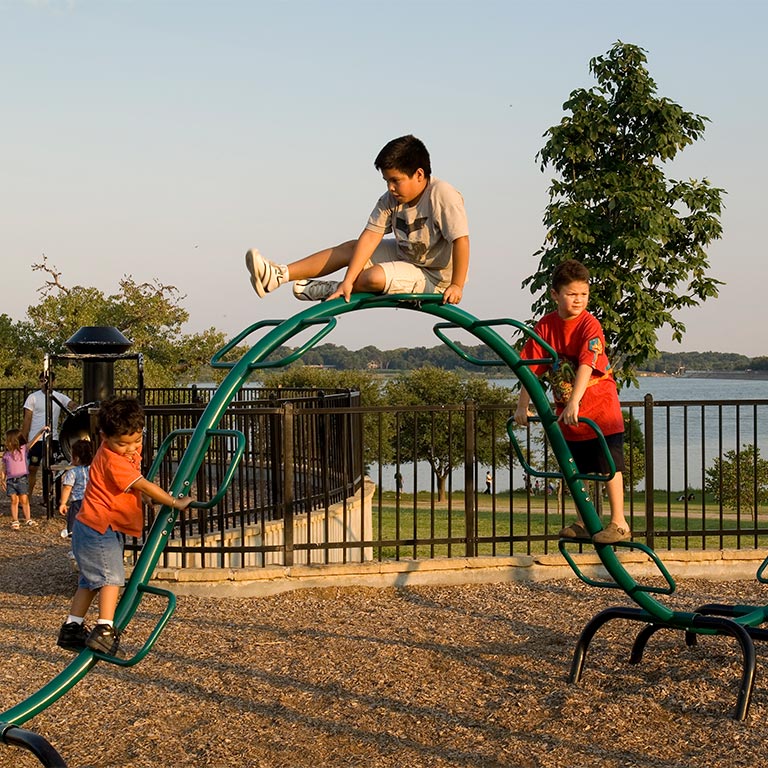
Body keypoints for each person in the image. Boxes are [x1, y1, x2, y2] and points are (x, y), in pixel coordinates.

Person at [245, 134, 470, 305]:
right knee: (354, 248)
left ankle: (335, 288)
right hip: (406, 254)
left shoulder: (442, 195)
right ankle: (278, 275)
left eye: (395, 180)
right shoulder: (390, 199)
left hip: (434, 276)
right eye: (386, 181)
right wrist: (350, 275)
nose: (390, 188)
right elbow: (371, 236)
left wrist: (456, 285)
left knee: (373, 277)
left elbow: (460, 240)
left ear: (419, 175)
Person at [57, 397, 193, 656]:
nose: (131, 448)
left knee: (88, 582)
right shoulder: (113, 459)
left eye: (136, 440)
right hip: (99, 529)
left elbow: (127, 489)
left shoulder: (123, 451)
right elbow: (142, 484)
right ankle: (104, 631)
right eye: (123, 443)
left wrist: (144, 500)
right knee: (111, 579)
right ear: (104, 436)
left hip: (91, 527)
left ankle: (71, 629)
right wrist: (174, 501)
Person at [513, 259, 631, 545]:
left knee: (609, 466)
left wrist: (575, 401)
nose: (578, 300)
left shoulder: (590, 325)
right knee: (575, 468)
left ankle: (619, 522)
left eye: (584, 294)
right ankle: (583, 520)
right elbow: (531, 366)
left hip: (599, 410)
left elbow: (587, 365)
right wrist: (521, 404)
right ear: (555, 294)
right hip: (569, 413)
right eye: (571, 294)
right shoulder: (546, 326)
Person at [22, 371, 77, 496]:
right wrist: (24, 438)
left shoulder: (59, 397)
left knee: (54, 468)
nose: (44, 384)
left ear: (53, 382)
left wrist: (78, 407)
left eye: (47, 381)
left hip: (53, 438)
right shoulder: (33, 397)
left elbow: (71, 405)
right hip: (36, 439)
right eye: (42, 381)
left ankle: (53, 498)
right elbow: (27, 419)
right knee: (33, 468)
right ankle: (28, 498)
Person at [1, 426, 50, 529]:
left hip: (22, 479)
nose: (6, 443)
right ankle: (15, 520)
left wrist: (41, 431)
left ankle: (28, 519)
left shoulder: (23, 450)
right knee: (14, 500)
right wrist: (2, 480)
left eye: (8, 441)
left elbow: (33, 441)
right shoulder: (6, 455)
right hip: (11, 480)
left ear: (14, 441)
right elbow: (3, 468)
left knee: (24, 500)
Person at [58, 438, 93, 539]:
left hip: (78, 503)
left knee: (75, 527)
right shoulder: (94, 469)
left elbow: (67, 487)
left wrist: (63, 503)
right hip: (92, 501)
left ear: (76, 458)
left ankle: (75, 548)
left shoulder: (73, 472)